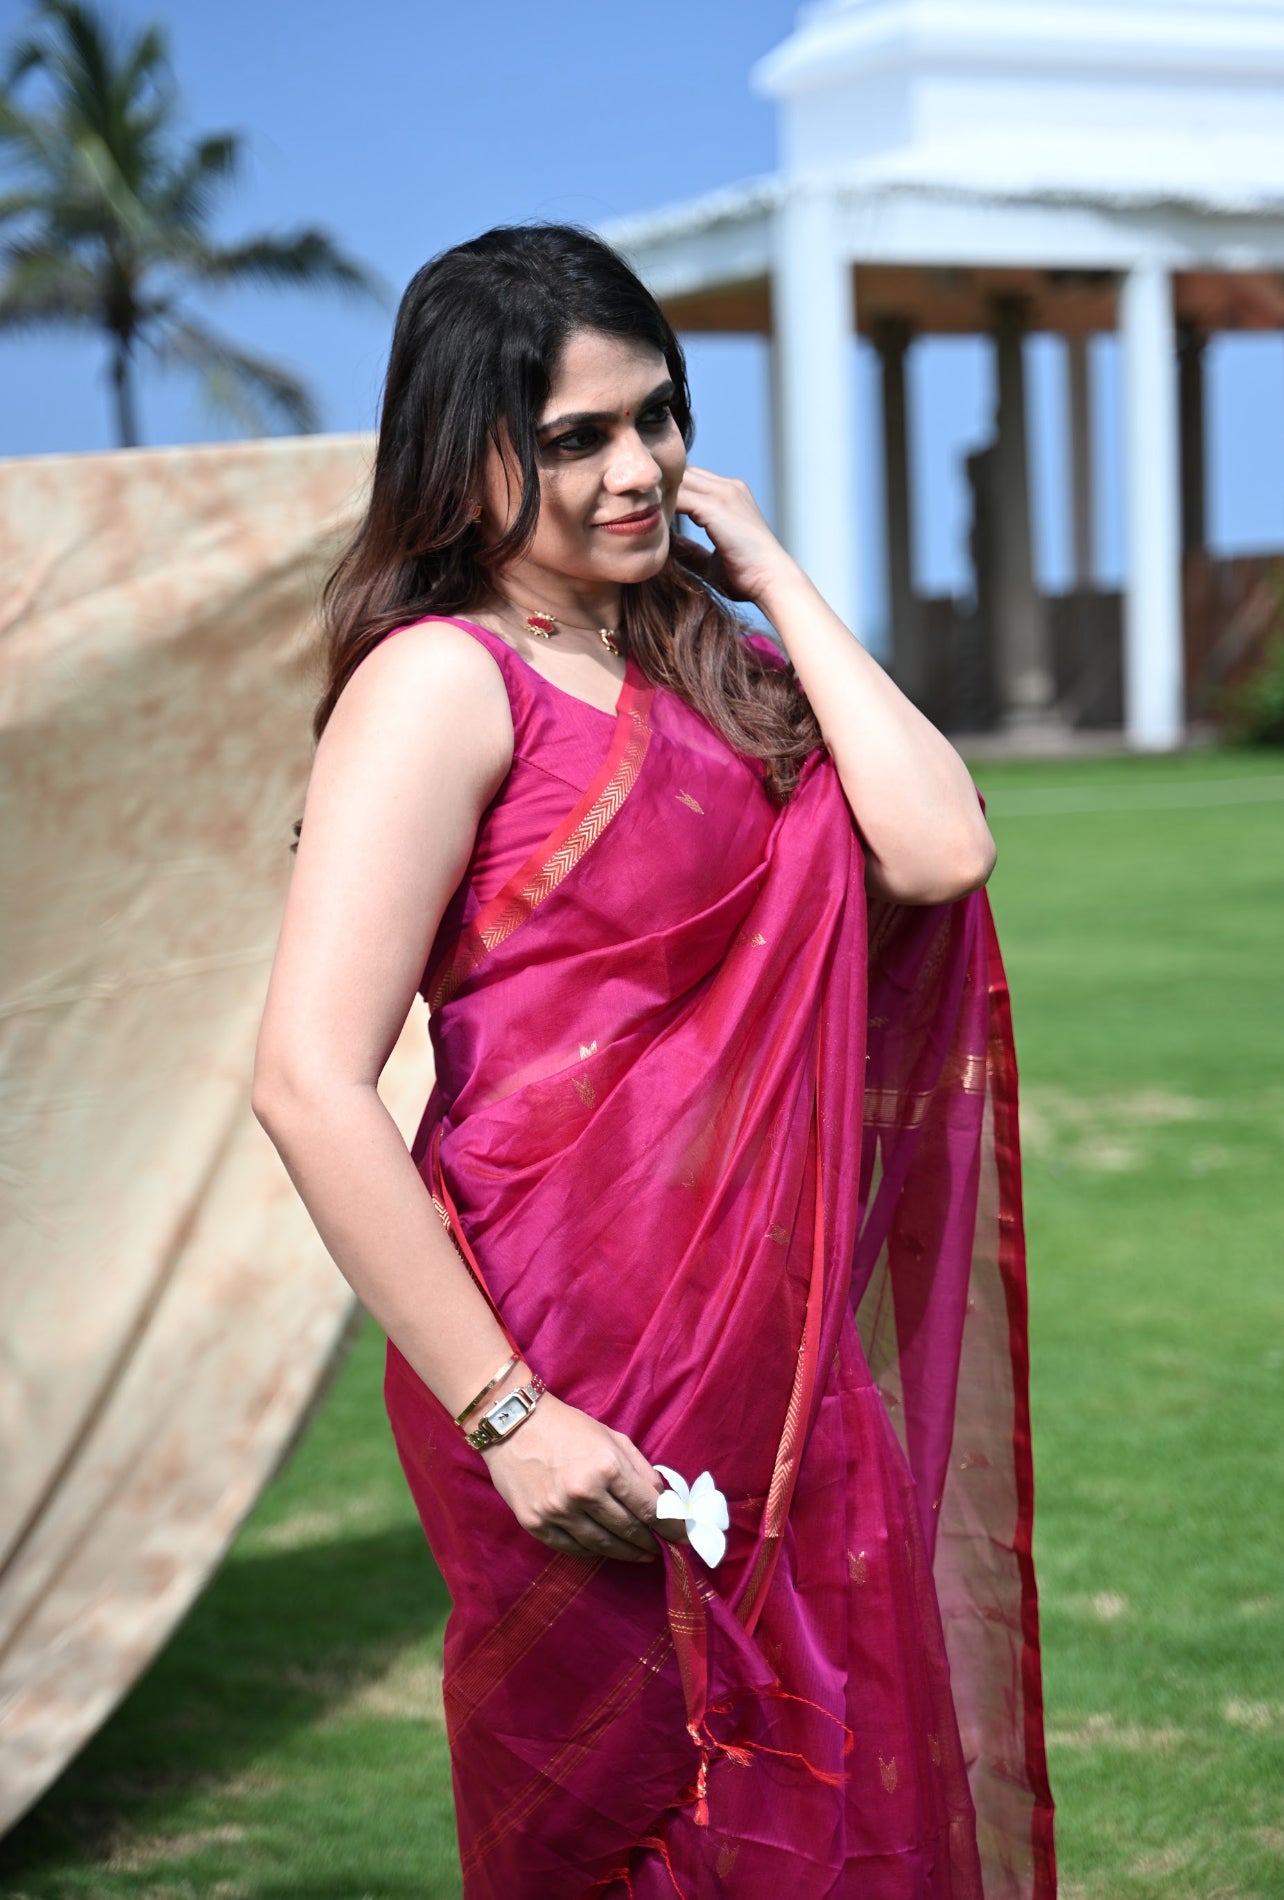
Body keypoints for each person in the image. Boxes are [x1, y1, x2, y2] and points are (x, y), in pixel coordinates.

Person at [252, 223, 1055, 1899]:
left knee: (828, 1799)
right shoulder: (441, 684)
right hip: (559, 1355)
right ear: (465, 452)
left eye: (658, 417)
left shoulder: (714, 663)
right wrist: (510, 1416)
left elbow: (941, 848)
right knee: (641, 1819)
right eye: (577, 437)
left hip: (781, 1339)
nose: (639, 469)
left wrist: (768, 571)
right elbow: (311, 1081)